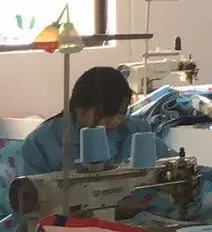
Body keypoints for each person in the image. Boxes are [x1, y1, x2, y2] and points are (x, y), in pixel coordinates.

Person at [18, 66, 158, 177]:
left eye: (122, 113)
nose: (116, 121)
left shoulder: (137, 131)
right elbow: (33, 193)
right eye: (108, 116)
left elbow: (163, 168)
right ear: (80, 111)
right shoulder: (41, 143)